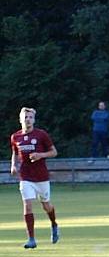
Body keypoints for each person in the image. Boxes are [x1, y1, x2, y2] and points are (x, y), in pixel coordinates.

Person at [10, 107, 59, 249]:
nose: (28, 119)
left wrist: (40, 155)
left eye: (31, 117)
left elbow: (54, 152)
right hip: (25, 176)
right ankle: (31, 239)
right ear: (20, 119)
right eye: (25, 117)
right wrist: (13, 165)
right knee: (27, 204)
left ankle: (54, 224)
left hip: (41, 177)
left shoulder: (41, 135)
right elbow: (14, 153)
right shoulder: (15, 137)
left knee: (46, 205)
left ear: (34, 119)